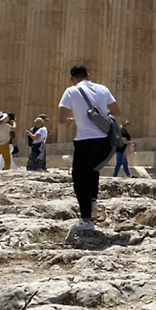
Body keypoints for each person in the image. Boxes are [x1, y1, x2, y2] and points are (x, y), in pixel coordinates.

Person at [58, 64, 120, 236]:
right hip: (105, 141)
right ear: (88, 75)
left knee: (80, 179)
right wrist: (100, 115)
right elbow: (116, 111)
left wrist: (70, 120)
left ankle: (86, 220)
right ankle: (92, 202)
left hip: (85, 140)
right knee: (93, 171)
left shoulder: (71, 91)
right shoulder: (103, 89)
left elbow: (62, 118)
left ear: (72, 78)